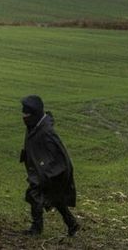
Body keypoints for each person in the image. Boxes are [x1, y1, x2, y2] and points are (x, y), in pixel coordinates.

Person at [20, 95, 80, 236]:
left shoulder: (46, 132)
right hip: (42, 170)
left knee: (34, 194)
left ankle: (36, 228)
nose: (23, 116)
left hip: (52, 172)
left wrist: (47, 174)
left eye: (26, 114)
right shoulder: (33, 126)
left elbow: (60, 156)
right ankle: (72, 224)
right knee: (56, 198)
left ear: (35, 114)